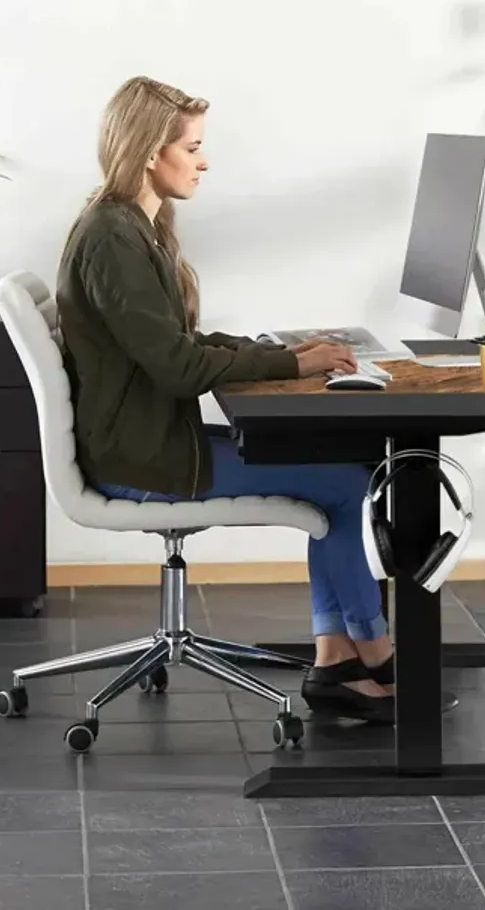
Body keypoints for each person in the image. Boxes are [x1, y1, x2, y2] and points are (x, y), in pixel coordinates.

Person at [58, 76, 422, 725]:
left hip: (150, 444)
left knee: (345, 471)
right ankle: (377, 655)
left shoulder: (127, 227)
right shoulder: (115, 238)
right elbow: (177, 366)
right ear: (149, 151)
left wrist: (270, 349)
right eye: (192, 146)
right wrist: (287, 361)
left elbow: (174, 343)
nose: (203, 160)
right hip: (145, 463)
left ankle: (338, 660)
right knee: (344, 484)